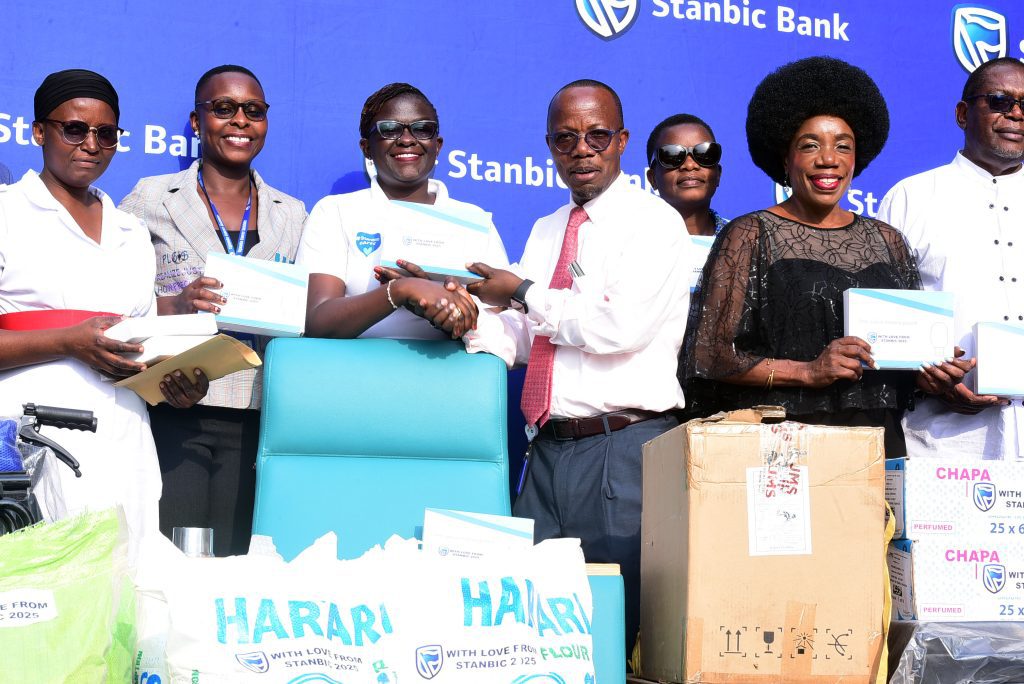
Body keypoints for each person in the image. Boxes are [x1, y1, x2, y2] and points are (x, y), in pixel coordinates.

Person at [459, 79, 693, 655]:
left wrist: (522, 291)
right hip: (546, 452)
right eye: (565, 139)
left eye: (597, 136)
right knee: (536, 635)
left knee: (614, 633)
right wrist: (457, 313)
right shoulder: (547, 228)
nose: (581, 149)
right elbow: (524, 336)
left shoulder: (654, 222)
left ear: (623, 141)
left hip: (622, 448)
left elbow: (620, 327)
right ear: (549, 146)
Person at [681, 56, 970, 457]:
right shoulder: (751, 234)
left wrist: (931, 372)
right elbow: (710, 355)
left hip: (878, 442)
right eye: (810, 145)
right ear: (785, 158)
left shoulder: (889, 241)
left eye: (843, 146)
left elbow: (903, 368)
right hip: (785, 446)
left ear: (857, 158)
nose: (828, 159)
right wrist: (808, 371)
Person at [0, 69, 206, 549]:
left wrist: (174, 382)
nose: (91, 144)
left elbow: (140, 341)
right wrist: (67, 342)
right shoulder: (7, 212)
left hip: (125, 437)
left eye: (106, 133)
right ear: (39, 132)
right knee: (38, 579)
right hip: (29, 438)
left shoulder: (130, 230)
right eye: (74, 129)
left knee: (125, 577)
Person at [120, 65, 307, 556]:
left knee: (235, 568)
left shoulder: (292, 213)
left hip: (259, 416)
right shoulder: (150, 198)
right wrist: (176, 306)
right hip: (174, 407)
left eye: (254, 110)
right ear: (196, 121)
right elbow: (114, 301)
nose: (240, 120)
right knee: (170, 566)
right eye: (223, 108)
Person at [878, 57, 1024, 459]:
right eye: (999, 101)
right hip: (945, 441)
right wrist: (921, 375)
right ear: (962, 114)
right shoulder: (911, 198)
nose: (1015, 113)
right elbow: (883, 320)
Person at [297, 82, 508, 340]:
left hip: (452, 364)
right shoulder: (335, 213)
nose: (407, 140)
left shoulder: (475, 221)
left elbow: (508, 324)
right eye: (390, 129)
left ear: (437, 145)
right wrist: (400, 291)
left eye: (422, 129)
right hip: (354, 366)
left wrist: (453, 310)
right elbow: (317, 320)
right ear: (366, 148)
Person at [646, 113, 728, 236]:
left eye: (704, 153)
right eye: (672, 155)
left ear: (718, 174)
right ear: (652, 179)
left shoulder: (746, 240)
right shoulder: (631, 241)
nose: (690, 165)